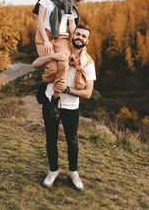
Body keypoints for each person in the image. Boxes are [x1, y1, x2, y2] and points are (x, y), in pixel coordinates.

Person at [32, 25, 96, 191]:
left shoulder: (88, 63)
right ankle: (53, 171)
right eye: (78, 34)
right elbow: (35, 63)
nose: (80, 37)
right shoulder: (59, 50)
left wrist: (67, 89)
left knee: (72, 140)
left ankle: (73, 173)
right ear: (72, 34)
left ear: (87, 40)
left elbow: (88, 93)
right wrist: (54, 55)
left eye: (84, 36)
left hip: (71, 106)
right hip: (50, 101)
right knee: (51, 139)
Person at [32, 0, 83, 101]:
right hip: (45, 35)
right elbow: (40, 21)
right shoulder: (46, 0)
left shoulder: (70, 6)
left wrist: (78, 38)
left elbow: (72, 25)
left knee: (64, 64)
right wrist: (46, 40)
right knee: (52, 69)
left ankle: (55, 97)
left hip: (61, 38)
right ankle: (43, 84)